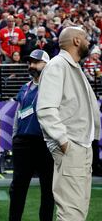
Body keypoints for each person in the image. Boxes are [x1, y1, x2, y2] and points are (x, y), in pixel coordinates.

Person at [37, 27, 101, 221]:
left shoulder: (71, 66)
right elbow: (46, 109)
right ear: (75, 41)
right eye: (85, 37)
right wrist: (64, 142)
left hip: (80, 146)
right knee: (71, 212)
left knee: (78, 210)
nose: (88, 41)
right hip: (72, 146)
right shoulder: (58, 65)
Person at [9, 49, 54, 221]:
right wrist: (15, 137)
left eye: (36, 62)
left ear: (47, 65)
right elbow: (18, 114)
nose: (32, 65)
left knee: (48, 190)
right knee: (17, 188)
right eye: (30, 62)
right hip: (23, 143)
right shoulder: (25, 88)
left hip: (45, 143)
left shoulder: (53, 87)